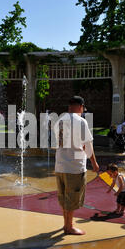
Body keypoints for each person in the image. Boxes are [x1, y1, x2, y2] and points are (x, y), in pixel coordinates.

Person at [53, 96, 99, 235]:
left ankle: (65, 224)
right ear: (81, 106)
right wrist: (94, 163)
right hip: (74, 167)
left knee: (63, 196)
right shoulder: (81, 121)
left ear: (69, 106)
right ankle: (69, 227)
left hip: (60, 165)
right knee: (72, 197)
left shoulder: (59, 121)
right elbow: (87, 146)